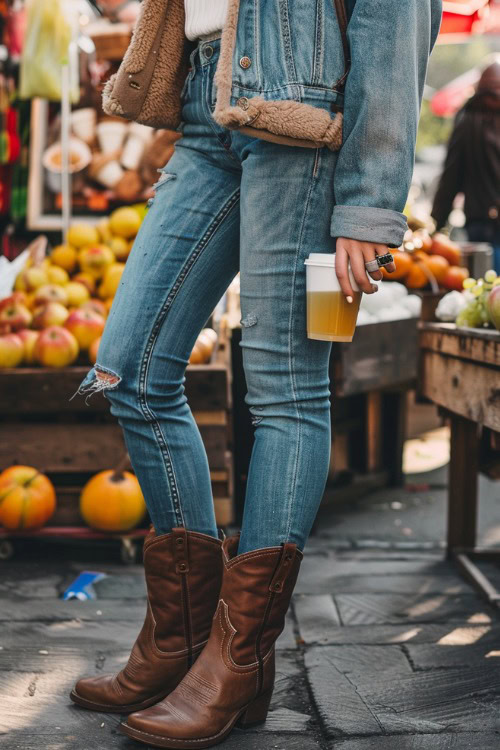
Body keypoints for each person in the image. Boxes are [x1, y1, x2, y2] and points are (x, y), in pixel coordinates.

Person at [71, 1, 442, 747]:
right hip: (210, 108)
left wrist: (367, 204)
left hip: (300, 118)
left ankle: (238, 657)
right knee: (132, 367)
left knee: (285, 389)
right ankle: (177, 642)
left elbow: (393, 17)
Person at [432, 61, 500, 273]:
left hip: (480, 222)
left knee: (485, 292)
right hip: (482, 224)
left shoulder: (466, 119)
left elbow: (450, 178)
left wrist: (436, 224)